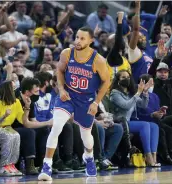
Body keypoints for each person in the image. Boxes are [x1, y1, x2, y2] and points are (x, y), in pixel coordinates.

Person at [38, 27, 110, 181]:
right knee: (56, 126)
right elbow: (60, 71)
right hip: (68, 96)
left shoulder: (98, 60)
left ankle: (89, 157)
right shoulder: (66, 53)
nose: (77, 41)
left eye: (82, 38)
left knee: (86, 136)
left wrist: (97, 102)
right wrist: (62, 89)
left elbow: (106, 82)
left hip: (86, 100)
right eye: (77, 37)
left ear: (91, 40)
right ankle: (47, 165)